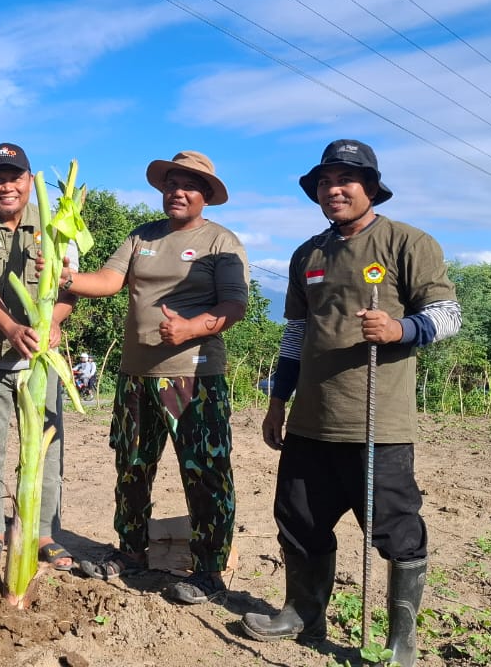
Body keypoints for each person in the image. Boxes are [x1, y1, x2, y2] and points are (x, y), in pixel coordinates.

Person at [240, 140, 460, 667]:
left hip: (376, 421)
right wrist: (278, 400)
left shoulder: (408, 242)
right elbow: (295, 334)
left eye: (346, 179)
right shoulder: (307, 254)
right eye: (324, 181)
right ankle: (302, 613)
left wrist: (400, 328)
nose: (333, 189)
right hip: (311, 420)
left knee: (396, 529)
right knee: (298, 520)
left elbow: (449, 315)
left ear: (370, 187)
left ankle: (401, 639)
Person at [63, 150, 248, 605]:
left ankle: (208, 569)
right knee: (131, 467)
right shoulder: (141, 237)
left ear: (205, 195)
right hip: (135, 376)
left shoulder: (220, 242)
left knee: (205, 473)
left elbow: (234, 305)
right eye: (171, 183)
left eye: (188, 185)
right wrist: (66, 277)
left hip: (193, 378)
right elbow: (109, 280)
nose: (177, 191)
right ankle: (129, 550)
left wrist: (190, 327)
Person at [0, 142, 79, 570]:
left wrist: (54, 321)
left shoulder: (57, 224)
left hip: (41, 359)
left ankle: (41, 530)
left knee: (47, 446)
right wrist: (10, 328)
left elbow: (68, 287)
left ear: (28, 181)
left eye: (15, 177)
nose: (7, 186)